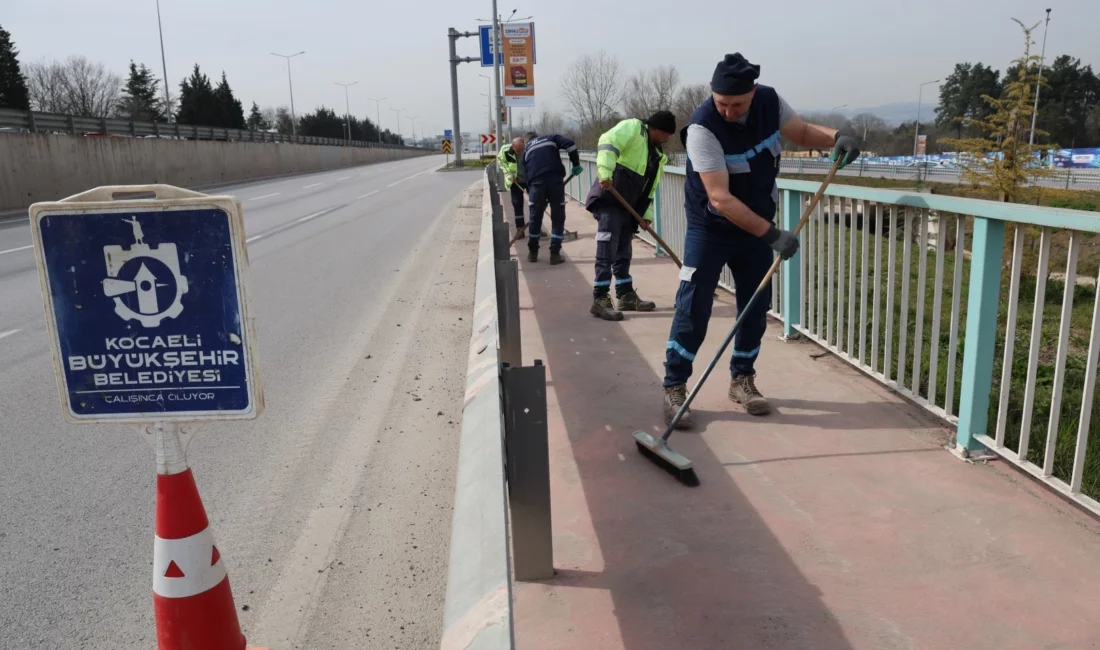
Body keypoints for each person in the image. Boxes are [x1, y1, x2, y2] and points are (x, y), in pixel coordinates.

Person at [662, 53, 860, 428]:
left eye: (737, 104)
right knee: (694, 304)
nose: (729, 112)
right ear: (712, 94)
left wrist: (837, 136)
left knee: (755, 304)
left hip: (756, 225)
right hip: (711, 229)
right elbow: (720, 199)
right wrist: (772, 235)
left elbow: (800, 132)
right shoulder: (703, 128)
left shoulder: (769, 101)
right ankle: (674, 386)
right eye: (722, 103)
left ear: (753, 93)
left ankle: (742, 379)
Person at [583, 111, 676, 321]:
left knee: (624, 249)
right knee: (608, 246)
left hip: (629, 206)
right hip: (610, 198)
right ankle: (600, 298)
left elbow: (650, 190)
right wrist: (605, 173)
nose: (668, 139)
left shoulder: (658, 157)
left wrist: (646, 215)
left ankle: (625, 294)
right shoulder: (633, 128)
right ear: (657, 130)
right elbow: (608, 142)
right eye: (667, 134)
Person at [523, 132, 581, 265]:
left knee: (535, 219)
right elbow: (571, 145)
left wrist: (533, 195)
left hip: (536, 185)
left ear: (527, 141)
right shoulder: (551, 137)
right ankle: (554, 254)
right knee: (558, 218)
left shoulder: (526, 150)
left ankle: (533, 253)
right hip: (555, 182)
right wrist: (575, 163)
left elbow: (526, 175)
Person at [497, 137, 528, 231]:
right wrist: (508, 173)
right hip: (515, 181)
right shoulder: (505, 150)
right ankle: (520, 228)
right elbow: (500, 161)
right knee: (517, 203)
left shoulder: (528, 149)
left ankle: (537, 228)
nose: (520, 152)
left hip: (529, 179)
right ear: (513, 147)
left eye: (522, 149)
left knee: (535, 203)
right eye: (518, 150)